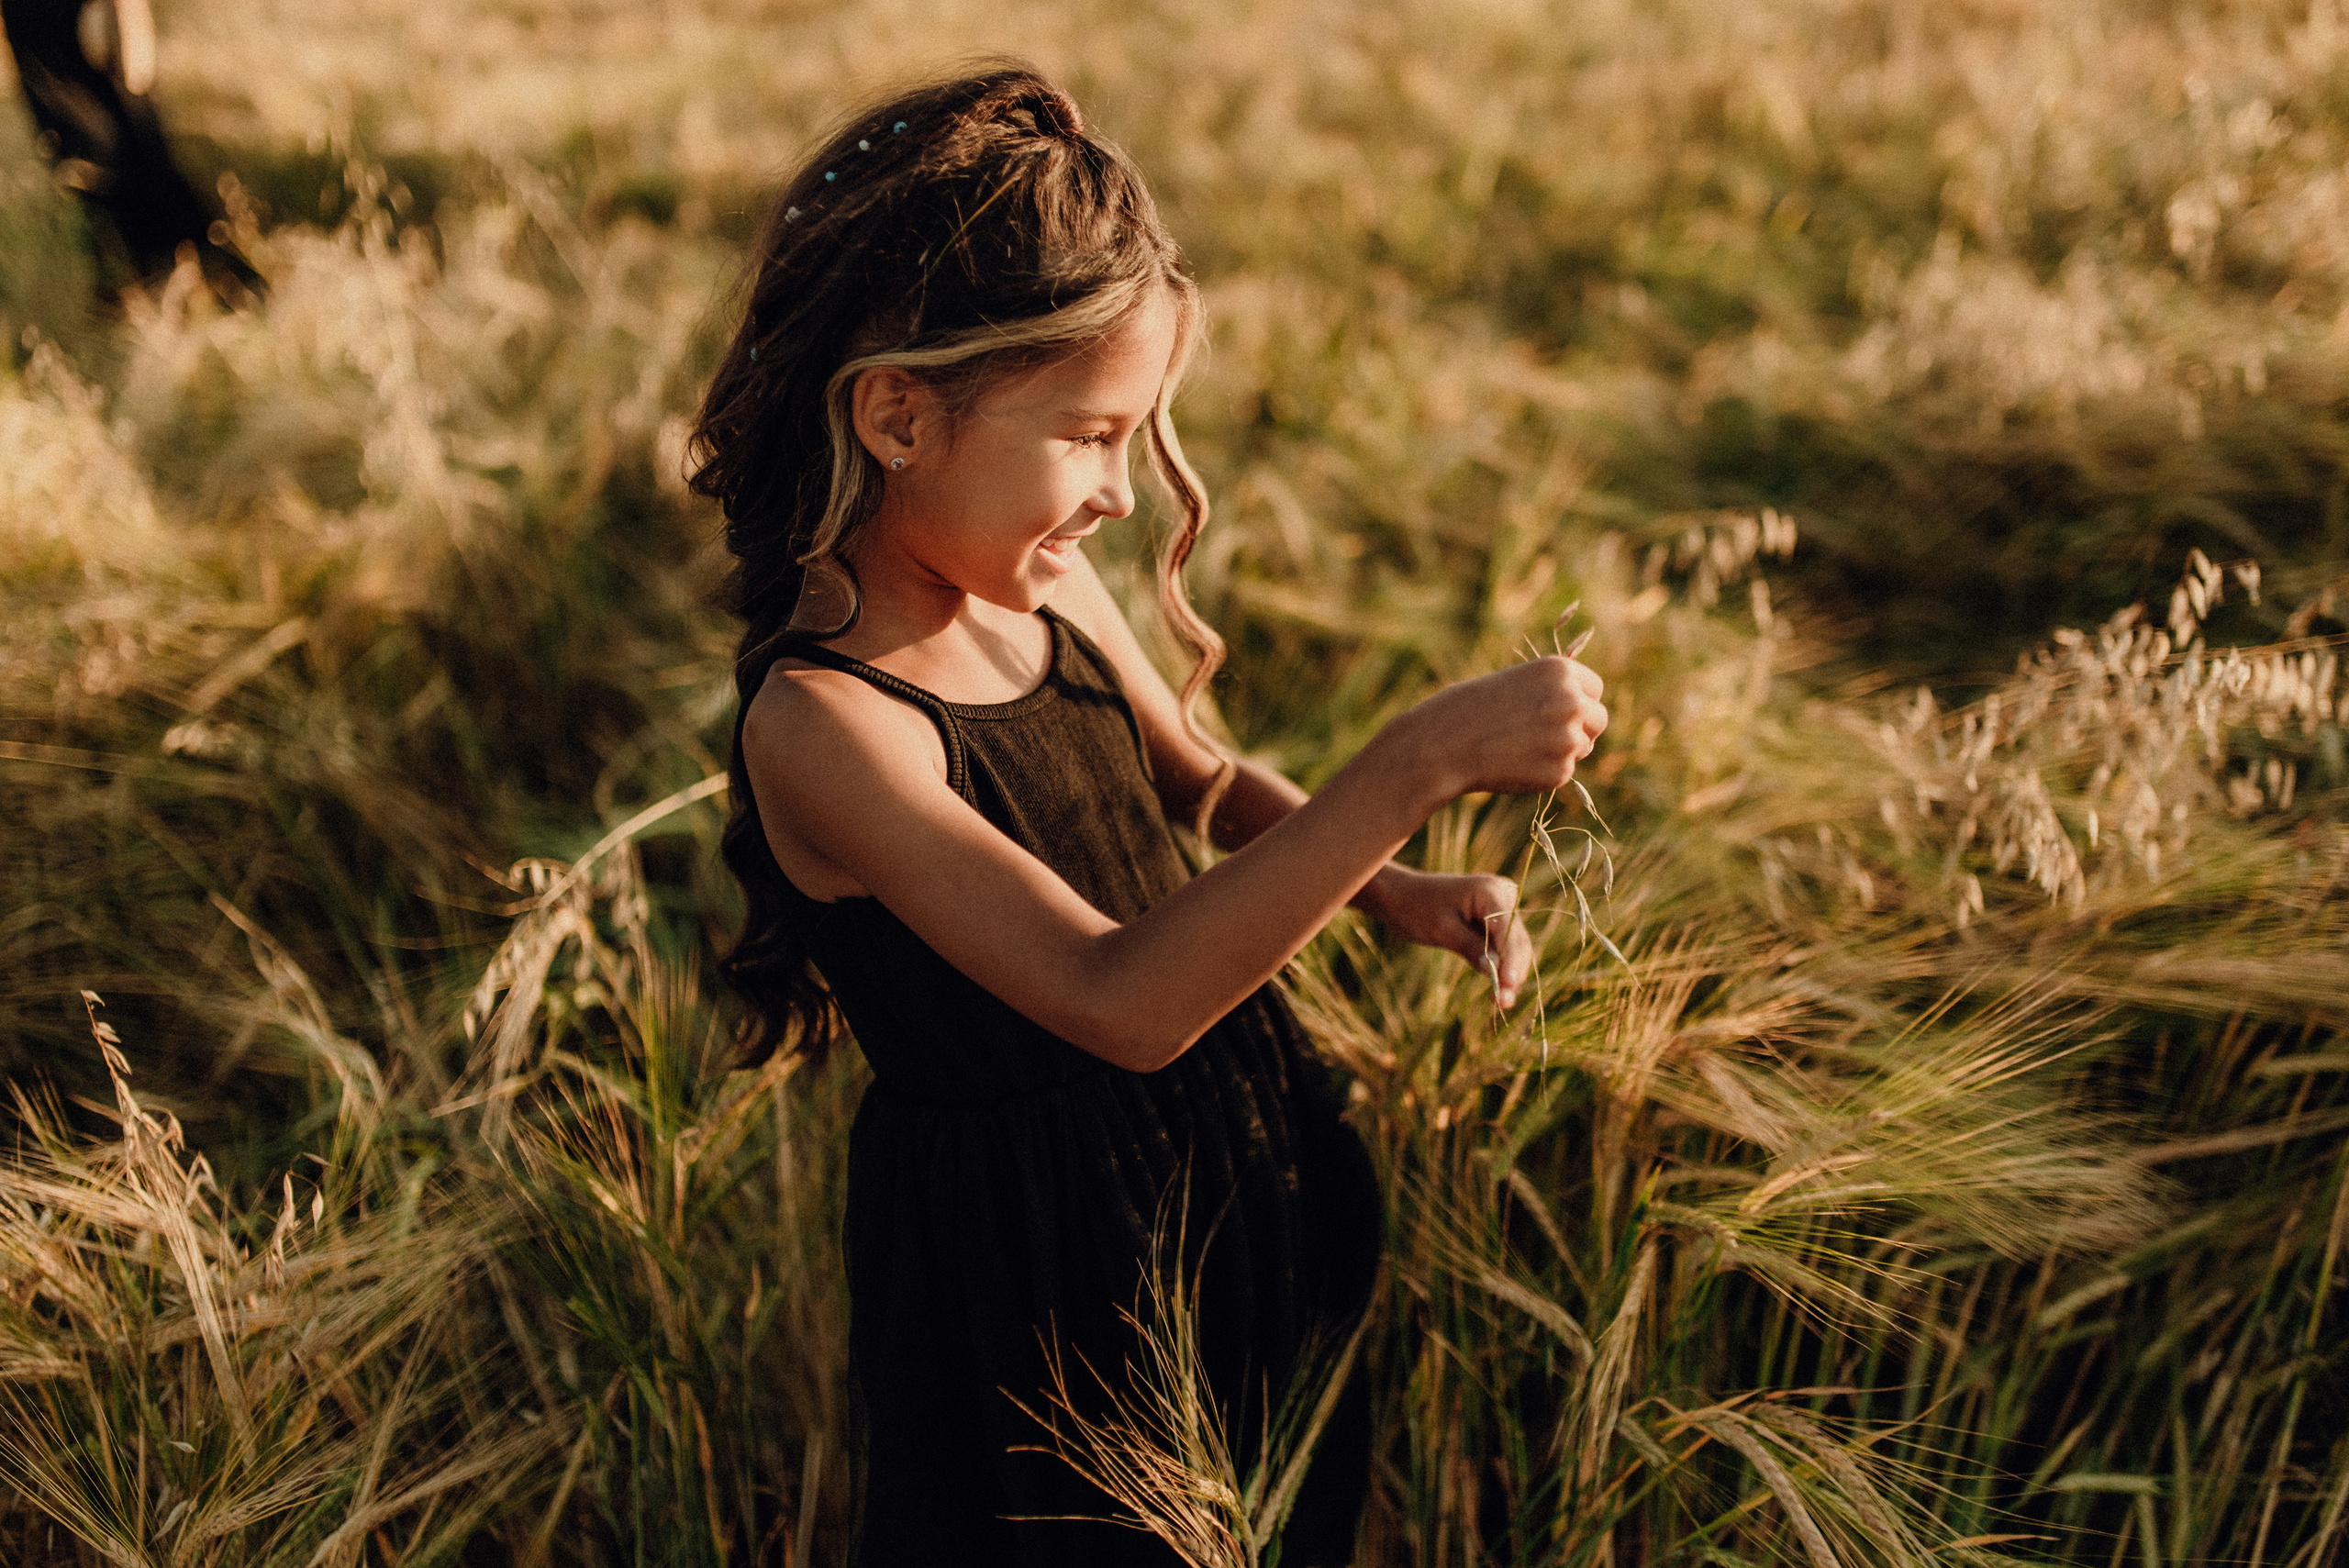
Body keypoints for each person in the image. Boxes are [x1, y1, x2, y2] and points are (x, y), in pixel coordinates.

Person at [690, 63, 1608, 1567]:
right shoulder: (827, 726)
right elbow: (1116, 997)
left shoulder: (1044, 578)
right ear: (898, 415)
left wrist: (1397, 887)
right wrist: (1413, 763)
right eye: (1091, 434)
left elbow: (1198, 779)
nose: (1125, 491)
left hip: (1229, 1142)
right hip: (1041, 1267)